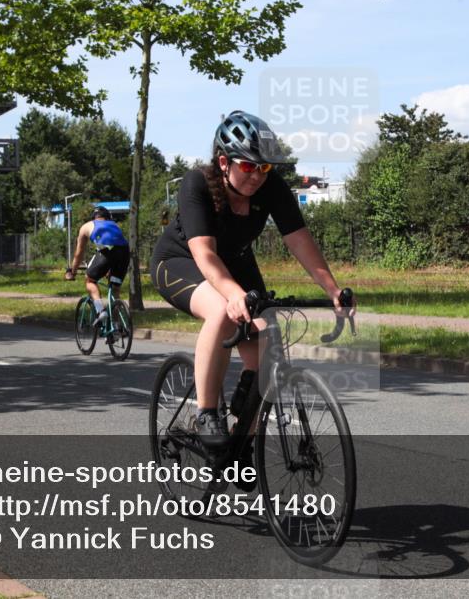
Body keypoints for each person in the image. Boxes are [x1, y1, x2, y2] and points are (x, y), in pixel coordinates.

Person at [150, 110, 355, 450]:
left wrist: (333, 289)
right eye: (247, 166)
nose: (257, 176)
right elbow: (205, 254)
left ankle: (241, 441)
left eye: (264, 167)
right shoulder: (197, 184)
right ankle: (207, 413)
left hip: (237, 262)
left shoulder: (270, 187)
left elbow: (299, 240)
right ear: (223, 162)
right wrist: (233, 295)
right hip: (180, 262)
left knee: (267, 348)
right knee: (221, 311)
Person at [65, 207, 131, 327]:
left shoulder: (86, 226)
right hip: (125, 252)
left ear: (93, 218)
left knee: (90, 280)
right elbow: (116, 247)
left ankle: (101, 311)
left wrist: (72, 271)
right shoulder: (114, 225)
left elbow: (79, 254)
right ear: (108, 217)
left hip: (108, 250)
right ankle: (116, 325)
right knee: (115, 288)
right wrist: (109, 269)